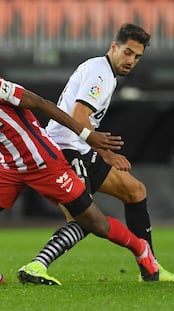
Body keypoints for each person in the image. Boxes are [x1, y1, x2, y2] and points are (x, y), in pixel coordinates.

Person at [0, 47, 158, 285]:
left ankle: (141, 249)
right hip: (7, 169)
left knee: (96, 223)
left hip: (44, 163)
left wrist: (85, 134)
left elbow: (40, 103)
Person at [18, 23, 174, 285]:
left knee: (135, 191)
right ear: (114, 47)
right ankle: (36, 265)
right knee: (87, 219)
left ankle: (151, 267)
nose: (131, 61)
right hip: (64, 151)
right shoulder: (99, 74)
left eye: (137, 57)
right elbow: (79, 115)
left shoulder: (105, 73)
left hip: (79, 148)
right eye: (127, 53)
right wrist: (106, 153)